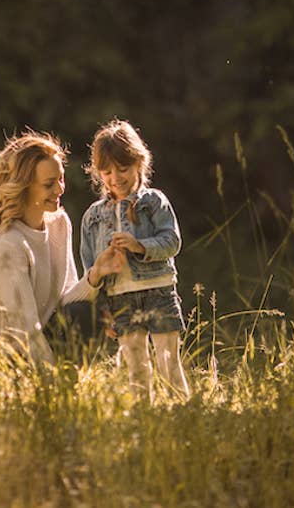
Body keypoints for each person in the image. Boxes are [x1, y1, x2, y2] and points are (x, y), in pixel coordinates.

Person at [0, 131, 112, 366]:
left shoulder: (59, 223)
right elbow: (25, 330)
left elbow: (67, 303)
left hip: (20, 346)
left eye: (61, 178)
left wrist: (95, 276)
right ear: (24, 188)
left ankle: (63, 384)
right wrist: (51, 387)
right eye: (49, 184)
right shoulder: (7, 245)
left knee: (87, 315)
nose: (60, 189)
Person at [80, 119, 191, 401]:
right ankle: (145, 422)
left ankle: (184, 413)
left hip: (158, 291)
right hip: (120, 298)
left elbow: (172, 242)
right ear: (98, 173)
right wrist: (103, 306)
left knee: (169, 361)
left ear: (139, 163)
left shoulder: (153, 202)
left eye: (123, 168)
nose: (116, 178)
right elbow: (89, 267)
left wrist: (140, 245)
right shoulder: (93, 216)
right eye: (106, 172)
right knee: (136, 367)